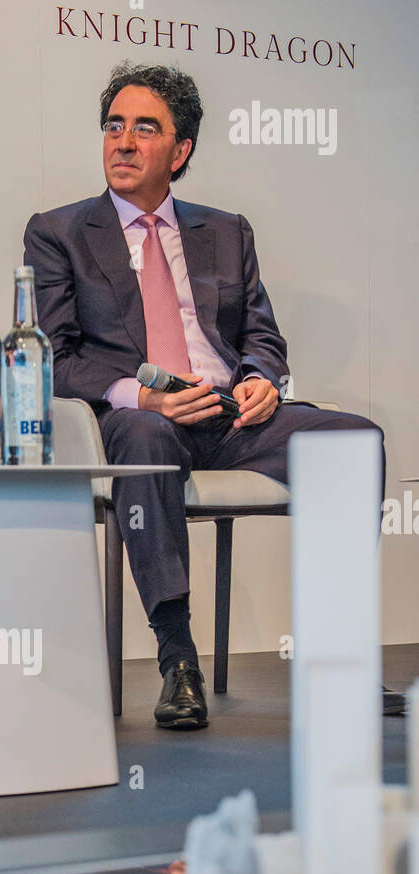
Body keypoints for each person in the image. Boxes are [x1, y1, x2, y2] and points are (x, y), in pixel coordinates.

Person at [24, 63, 403, 729]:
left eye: (144, 128)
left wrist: (259, 378)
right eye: (113, 126)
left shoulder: (224, 230)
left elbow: (261, 334)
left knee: (353, 439)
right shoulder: (59, 231)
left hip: (228, 418)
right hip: (141, 420)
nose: (122, 141)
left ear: (180, 151)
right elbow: (51, 355)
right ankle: (177, 659)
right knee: (142, 438)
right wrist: (139, 397)